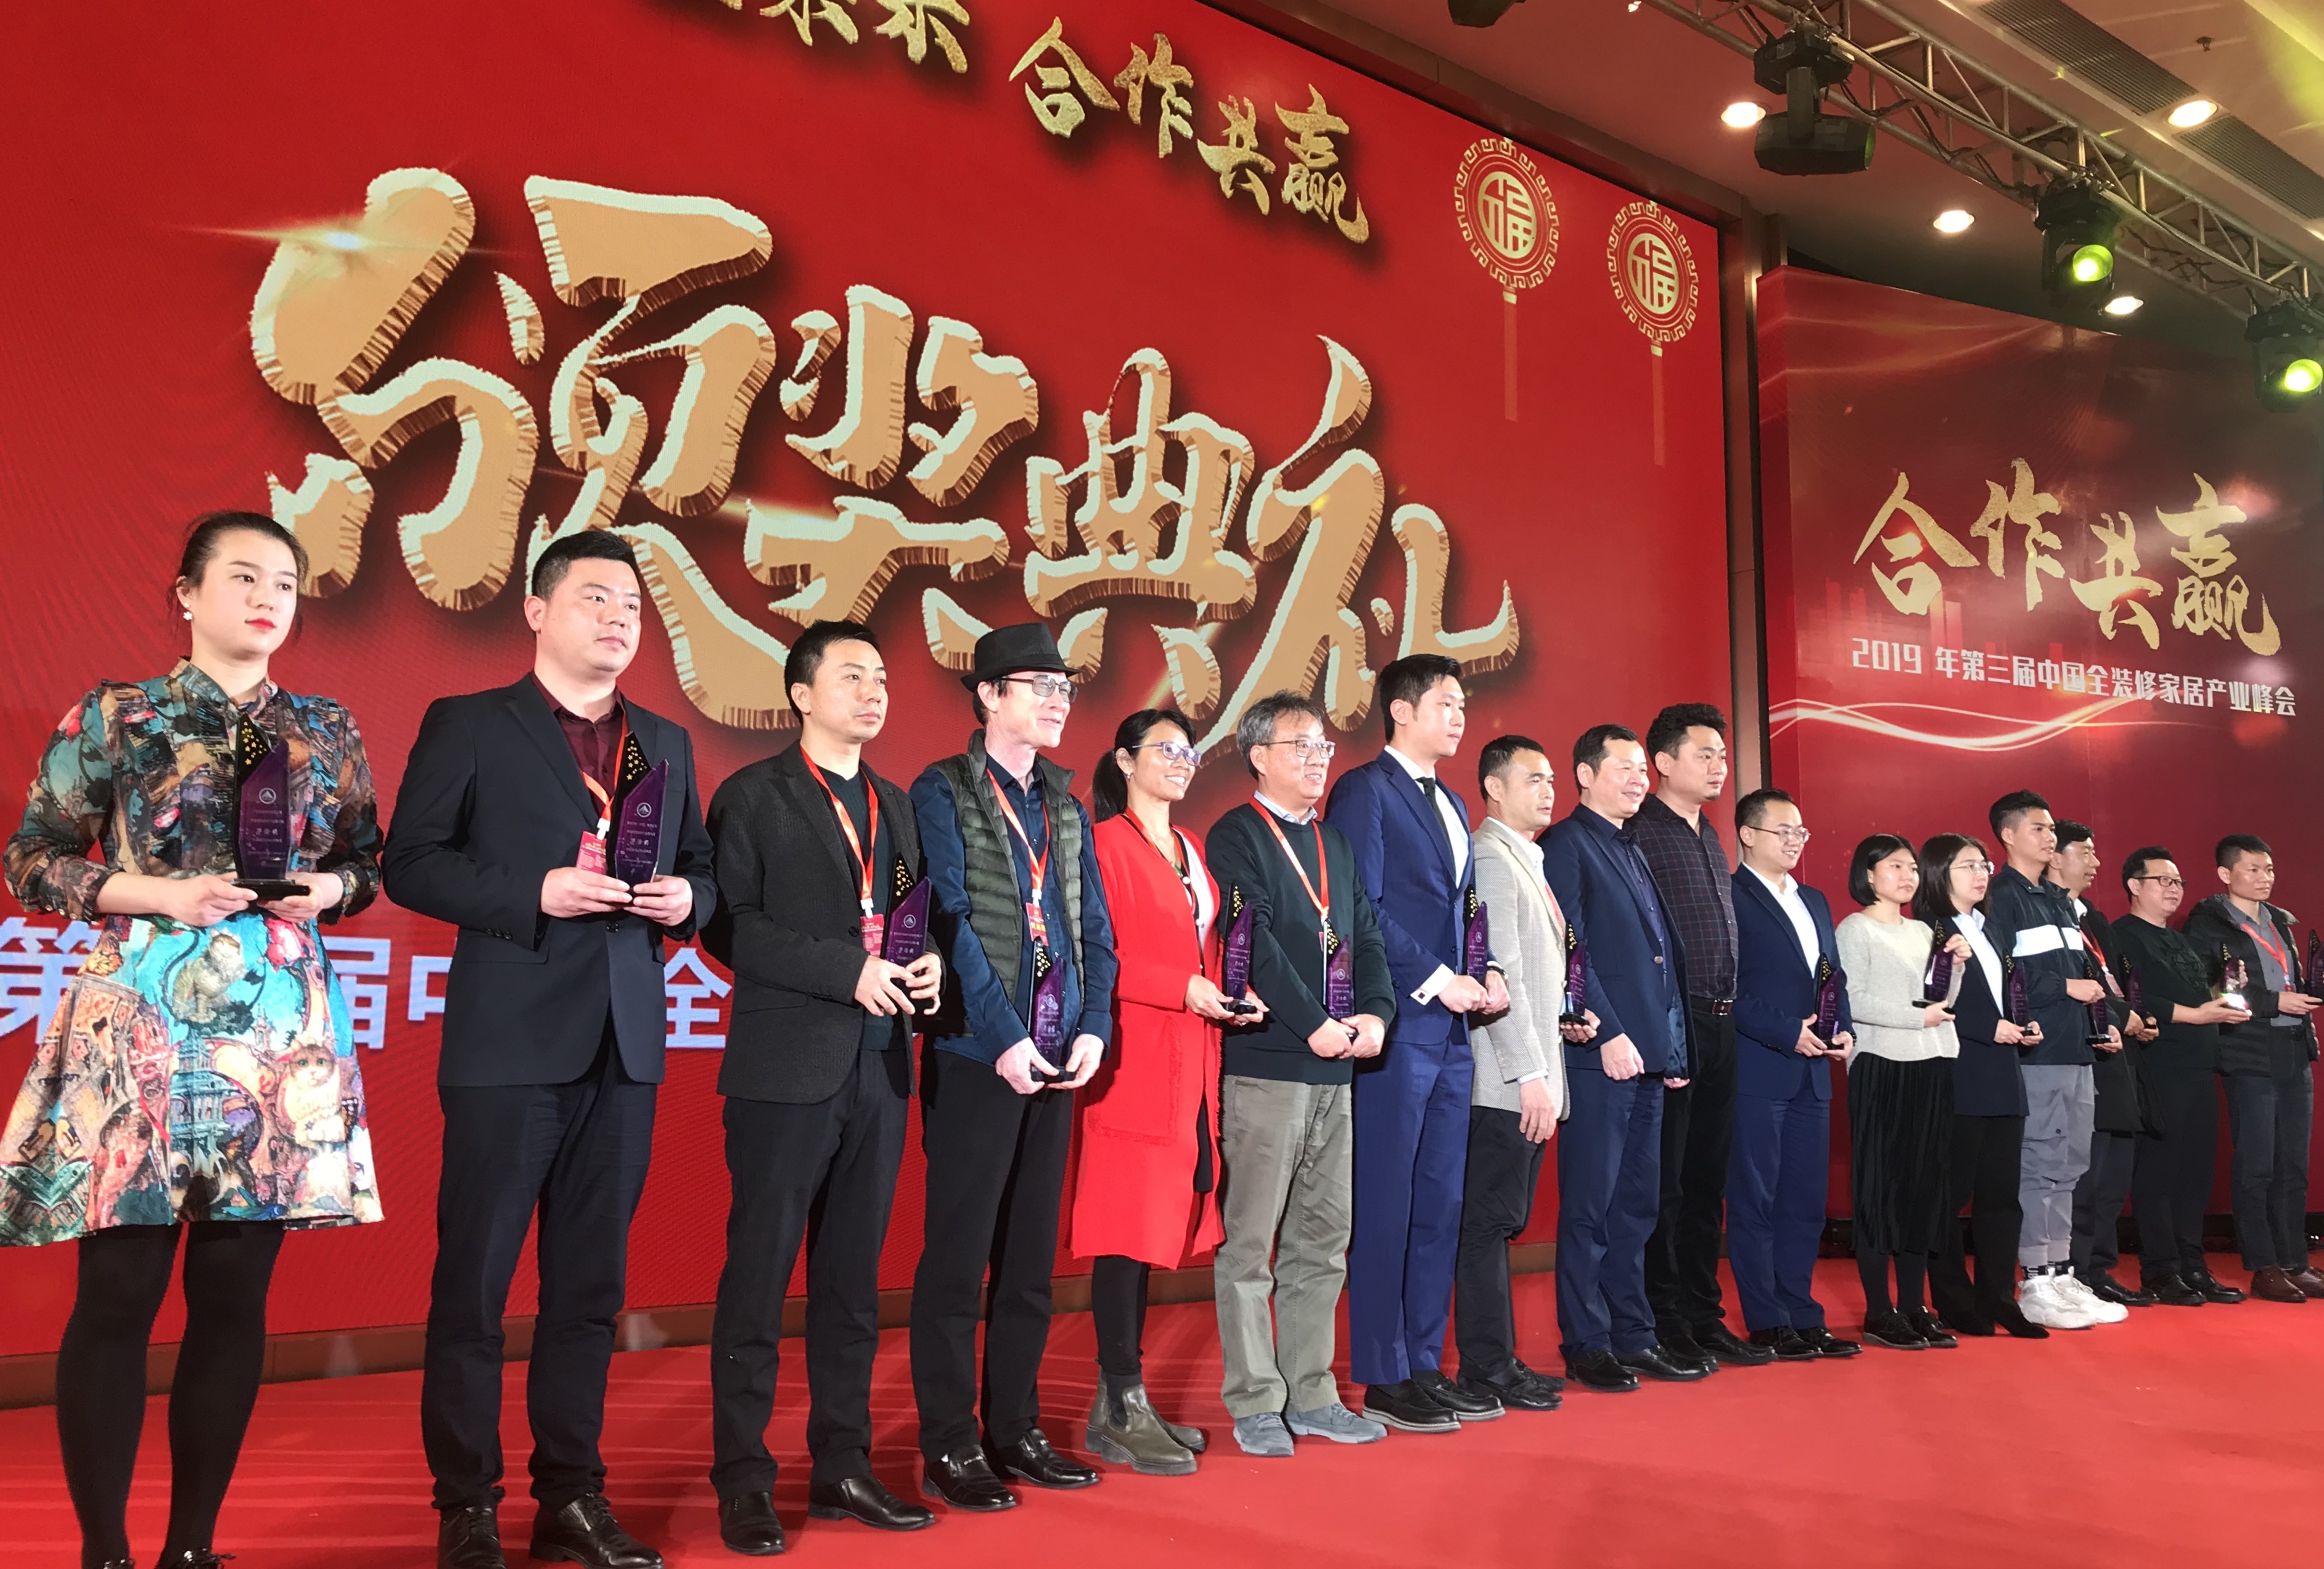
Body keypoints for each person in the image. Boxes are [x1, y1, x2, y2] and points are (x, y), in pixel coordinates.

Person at [1, 511, 384, 1569]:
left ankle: (192, 1546)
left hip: (274, 1033)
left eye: (285, 584)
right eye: (244, 577)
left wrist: (329, 890)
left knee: (233, 1295)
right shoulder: (119, 715)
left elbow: (367, 860)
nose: (268, 598)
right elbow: (31, 857)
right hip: (142, 1023)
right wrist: (157, 892)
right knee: (118, 1293)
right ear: (186, 592)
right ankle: (104, 1550)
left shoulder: (326, 727)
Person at [388, 529, 716, 1569]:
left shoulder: (663, 740)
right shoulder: (471, 724)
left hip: (625, 1044)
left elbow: (703, 868)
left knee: (589, 1291)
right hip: (510, 1042)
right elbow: (410, 862)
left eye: (631, 606)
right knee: (476, 1283)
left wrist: (687, 900)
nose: (618, 619)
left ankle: (571, 1495)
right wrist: (533, 891)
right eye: (594, 599)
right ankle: (467, 1502)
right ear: (536, 611)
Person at [699, 620, 943, 1552]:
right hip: (785, 1070)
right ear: (801, 695)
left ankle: (843, 1465)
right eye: (851, 677)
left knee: (851, 1289)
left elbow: (913, 919)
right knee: (759, 1281)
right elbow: (730, 928)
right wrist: (848, 971)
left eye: (880, 677)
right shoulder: (752, 795)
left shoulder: (895, 804)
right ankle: (743, 1479)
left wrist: (927, 968)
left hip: (881, 1067)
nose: (873, 691)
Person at [907, 624, 1119, 1510]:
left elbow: (1093, 928)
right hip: (977, 1055)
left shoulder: (1065, 806)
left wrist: (1094, 1026)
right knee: (959, 1261)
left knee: (1030, 1260)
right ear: (989, 695)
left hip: (1058, 1052)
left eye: (1064, 688)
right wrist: (1003, 1038)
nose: (1057, 701)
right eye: (1038, 686)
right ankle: (949, 1441)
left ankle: (1015, 1427)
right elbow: (948, 918)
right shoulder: (942, 788)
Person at [1204, 693, 1394, 1458]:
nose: (1318, 759)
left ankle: (1312, 1393)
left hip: (1337, 1069)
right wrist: (1311, 1022)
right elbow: (1250, 942)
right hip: (1270, 1066)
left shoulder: (1331, 843)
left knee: (1322, 1240)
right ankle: (1256, 1401)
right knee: (1250, 1243)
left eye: (1322, 747)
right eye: (1300, 746)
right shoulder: (1234, 835)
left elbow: (1365, 935)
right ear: (1258, 756)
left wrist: (1375, 1014)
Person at [1072, 707, 1260, 1476]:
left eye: (1189, 752)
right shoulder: (1102, 844)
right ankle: (1122, 1402)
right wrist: (1180, 987)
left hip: (1194, 1057)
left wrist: (1226, 991)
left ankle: (1118, 1405)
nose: (1182, 763)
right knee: (1127, 1232)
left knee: (1155, 1231)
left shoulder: (1191, 847)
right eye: (1165, 750)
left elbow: (1204, 947)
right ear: (1124, 760)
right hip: (1133, 1060)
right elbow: (1095, 955)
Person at [1325, 654, 1509, 1433]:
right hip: (1398, 1023)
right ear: (1400, 711)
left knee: (1440, 1200)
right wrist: (1437, 978)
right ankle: (1382, 1372)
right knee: (1388, 1202)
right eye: (1445, 703)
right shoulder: (1365, 790)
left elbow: (1466, 906)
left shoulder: (1455, 801)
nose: (1459, 716)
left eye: (1463, 704)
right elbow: (1359, 905)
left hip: (1455, 1027)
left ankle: (1424, 1363)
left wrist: (1486, 966)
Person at [1542, 724, 1701, 1391]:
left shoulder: (1630, 845)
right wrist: (1606, 1031)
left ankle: (1633, 1334)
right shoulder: (1567, 844)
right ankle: (1586, 1342)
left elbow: (1660, 959)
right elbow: (1567, 948)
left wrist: (1673, 1046)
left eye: (1642, 769)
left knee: (1636, 1206)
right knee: (1590, 1206)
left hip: (1650, 1058)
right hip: (1599, 1053)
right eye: (1624, 768)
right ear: (1584, 775)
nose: (1639, 779)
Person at [1454, 736, 1594, 1412]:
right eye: (1532, 779)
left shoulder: (1527, 858)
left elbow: (1536, 975)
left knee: (1500, 1223)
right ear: (1493, 787)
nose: (1547, 790)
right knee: (1486, 1225)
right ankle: (1486, 1367)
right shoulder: (1491, 856)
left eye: (1550, 780)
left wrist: (1568, 1017)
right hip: (1505, 1081)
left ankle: (1499, 1359)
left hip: (1533, 1070)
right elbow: (1498, 974)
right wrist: (1529, 1073)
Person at [1631, 704, 1767, 1369]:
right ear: (1662, 762)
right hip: (1671, 1021)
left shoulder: (1709, 835)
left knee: (1708, 1178)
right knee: (1666, 1181)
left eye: (1721, 755)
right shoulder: (1638, 832)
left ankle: (1703, 1313)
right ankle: (1661, 1318)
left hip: (1722, 1019)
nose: (1718, 766)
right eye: (1704, 754)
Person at [1982, 791, 2125, 1330]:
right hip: (2037, 1054)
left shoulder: (2060, 901)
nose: (2049, 838)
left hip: (2078, 1051)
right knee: (2039, 1165)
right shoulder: (2000, 896)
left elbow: (2087, 977)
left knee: (2069, 1166)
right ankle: (2036, 1278)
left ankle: (2061, 1271)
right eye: (2038, 829)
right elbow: (2001, 974)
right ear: (2008, 836)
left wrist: (2103, 1024)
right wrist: (2064, 987)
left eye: (2050, 830)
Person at [1725, 789, 1858, 1361]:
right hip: (1761, 1066)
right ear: (1747, 834)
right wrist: (1786, 1030)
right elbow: (1725, 989)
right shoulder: (1729, 896)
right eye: (1782, 831)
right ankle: (1766, 1319)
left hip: (1814, 1074)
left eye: (1800, 832)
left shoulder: (1815, 900)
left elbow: (1832, 976)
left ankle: (1802, 1313)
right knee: (1755, 1199)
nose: (1794, 841)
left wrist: (1842, 1025)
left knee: (1804, 1201)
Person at [1916, 834, 2050, 1339]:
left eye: (1983, 865)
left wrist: (2023, 1023)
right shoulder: (1928, 929)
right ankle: (1953, 1299)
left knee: (2001, 1197)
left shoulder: (1991, 927)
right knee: (1949, 1196)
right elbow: (1927, 1001)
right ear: (1938, 873)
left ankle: (1999, 1297)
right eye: (1967, 866)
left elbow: (2005, 995)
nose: (1980, 874)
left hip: (2003, 1074)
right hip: (1957, 1072)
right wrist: (1985, 1026)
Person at [2183, 835, 2324, 1303]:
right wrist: (2273, 1002)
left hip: (2293, 1047)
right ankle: (2263, 1266)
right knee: (2256, 1166)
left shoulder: (2280, 921)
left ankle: (2295, 1262)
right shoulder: (2208, 925)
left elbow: (2288, 980)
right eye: (2253, 870)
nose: (2265, 878)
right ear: (2225, 875)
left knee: (2293, 1166)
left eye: (2269, 869)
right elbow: (2213, 991)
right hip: (2248, 1050)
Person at [1834, 834, 1960, 1350]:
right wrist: (1915, 1017)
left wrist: (1957, 966)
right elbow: (1851, 999)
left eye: (1911, 867)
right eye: (1894, 867)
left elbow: (1940, 1000)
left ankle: (1913, 1304)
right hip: (1881, 1065)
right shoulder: (1854, 928)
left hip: (1931, 1061)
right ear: (1868, 875)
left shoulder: (1924, 930)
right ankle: (1877, 1310)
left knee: (1922, 1188)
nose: (1907, 876)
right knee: (1878, 1188)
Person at [2112, 847, 2250, 1307]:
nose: (2174, 890)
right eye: (2163, 881)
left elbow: (2201, 996)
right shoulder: (2123, 936)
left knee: (2195, 1173)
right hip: (2159, 1066)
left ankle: (2193, 1264)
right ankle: (2161, 1269)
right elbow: (2133, 999)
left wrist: (2226, 994)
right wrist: (2197, 1014)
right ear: (2134, 886)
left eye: (2178, 883)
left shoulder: (2181, 940)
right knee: (2159, 1171)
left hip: (2200, 1066)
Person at [2050, 822, 2152, 1308]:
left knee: (2112, 1173)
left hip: (2116, 1050)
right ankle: (2071, 1269)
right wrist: (2118, 1015)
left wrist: (2136, 1016)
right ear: (2054, 857)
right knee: (2083, 1176)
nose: (2094, 862)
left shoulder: (2091, 917)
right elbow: (2065, 983)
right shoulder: (2047, 915)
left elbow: (2109, 981)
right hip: (2081, 1048)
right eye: (2084, 853)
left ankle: (2098, 1267)